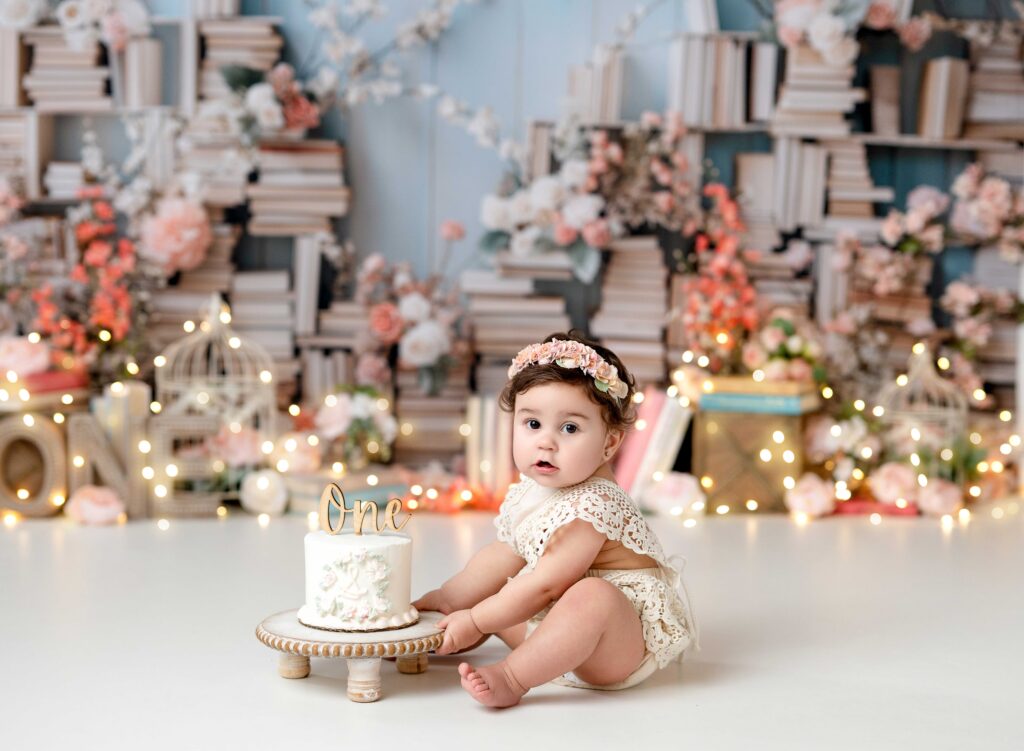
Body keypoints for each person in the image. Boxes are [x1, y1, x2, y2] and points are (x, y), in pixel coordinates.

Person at [413, 331, 698, 708]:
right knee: (499, 570)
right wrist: (447, 600)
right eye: (533, 424)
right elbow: (503, 555)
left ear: (609, 444)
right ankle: (439, 628)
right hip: (552, 634)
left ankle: (514, 676)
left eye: (570, 428)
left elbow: (546, 587)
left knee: (590, 596)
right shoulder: (538, 488)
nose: (546, 443)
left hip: (611, 648)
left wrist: (480, 619)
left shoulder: (593, 506)